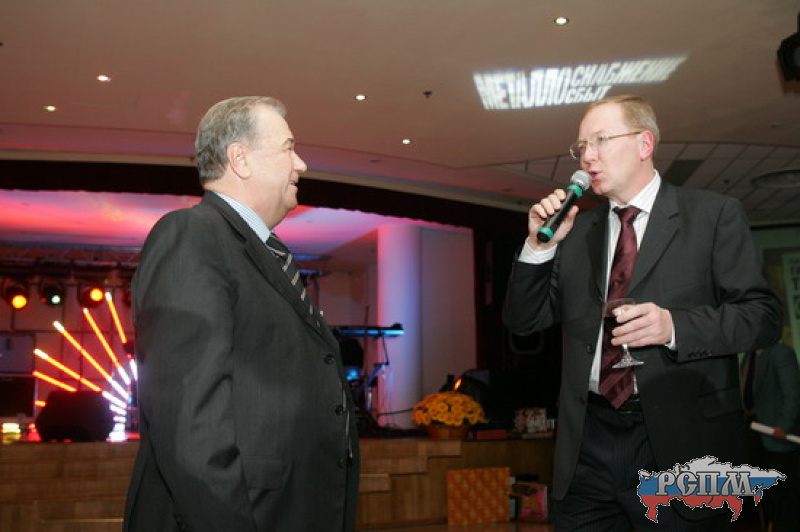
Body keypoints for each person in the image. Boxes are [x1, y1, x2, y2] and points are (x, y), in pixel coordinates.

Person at [503, 94, 782, 531]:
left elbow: (762, 318)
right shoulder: (576, 232)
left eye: (600, 140)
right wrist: (538, 248)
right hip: (587, 444)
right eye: (581, 146)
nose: (587, 157)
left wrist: (674, 327)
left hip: (681, 444)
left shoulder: (712, 216)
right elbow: (523, 321)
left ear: (644, 143)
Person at [124, 96, 360, 532]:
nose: (301, 164)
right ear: (241, 159)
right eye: (289, 148)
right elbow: (191, 424)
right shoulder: (193, 234)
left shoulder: (264, 253)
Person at [741, 343, 800, 531]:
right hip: (754, 432)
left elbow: (793, 393)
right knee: (766, 494)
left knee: (785, 497)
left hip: (778, 436)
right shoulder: (748, 357)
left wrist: (784, 425)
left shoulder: (780, 353)